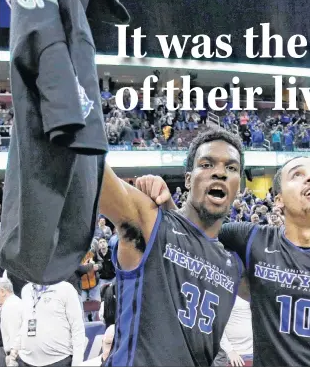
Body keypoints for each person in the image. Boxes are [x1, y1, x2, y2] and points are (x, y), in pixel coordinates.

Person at [137, 156, 310, 366]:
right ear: (278, 199)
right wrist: (168, 203)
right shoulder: (251, 238)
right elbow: (191, 233)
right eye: (298, 175)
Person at [99, 129, 244, 366]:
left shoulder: (235, 262)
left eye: (231, 168)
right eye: (206, 164)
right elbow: (90, 172)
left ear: (239, 187)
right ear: (188, 179)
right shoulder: (151, 220)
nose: (219, 172)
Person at [7, 281, 85, 367]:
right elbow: (25, 323)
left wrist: (77, 363)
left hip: (59, 360)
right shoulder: (26, 290)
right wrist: (14, 351)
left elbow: (77, 328)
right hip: (26, 360)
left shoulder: (66, 288)